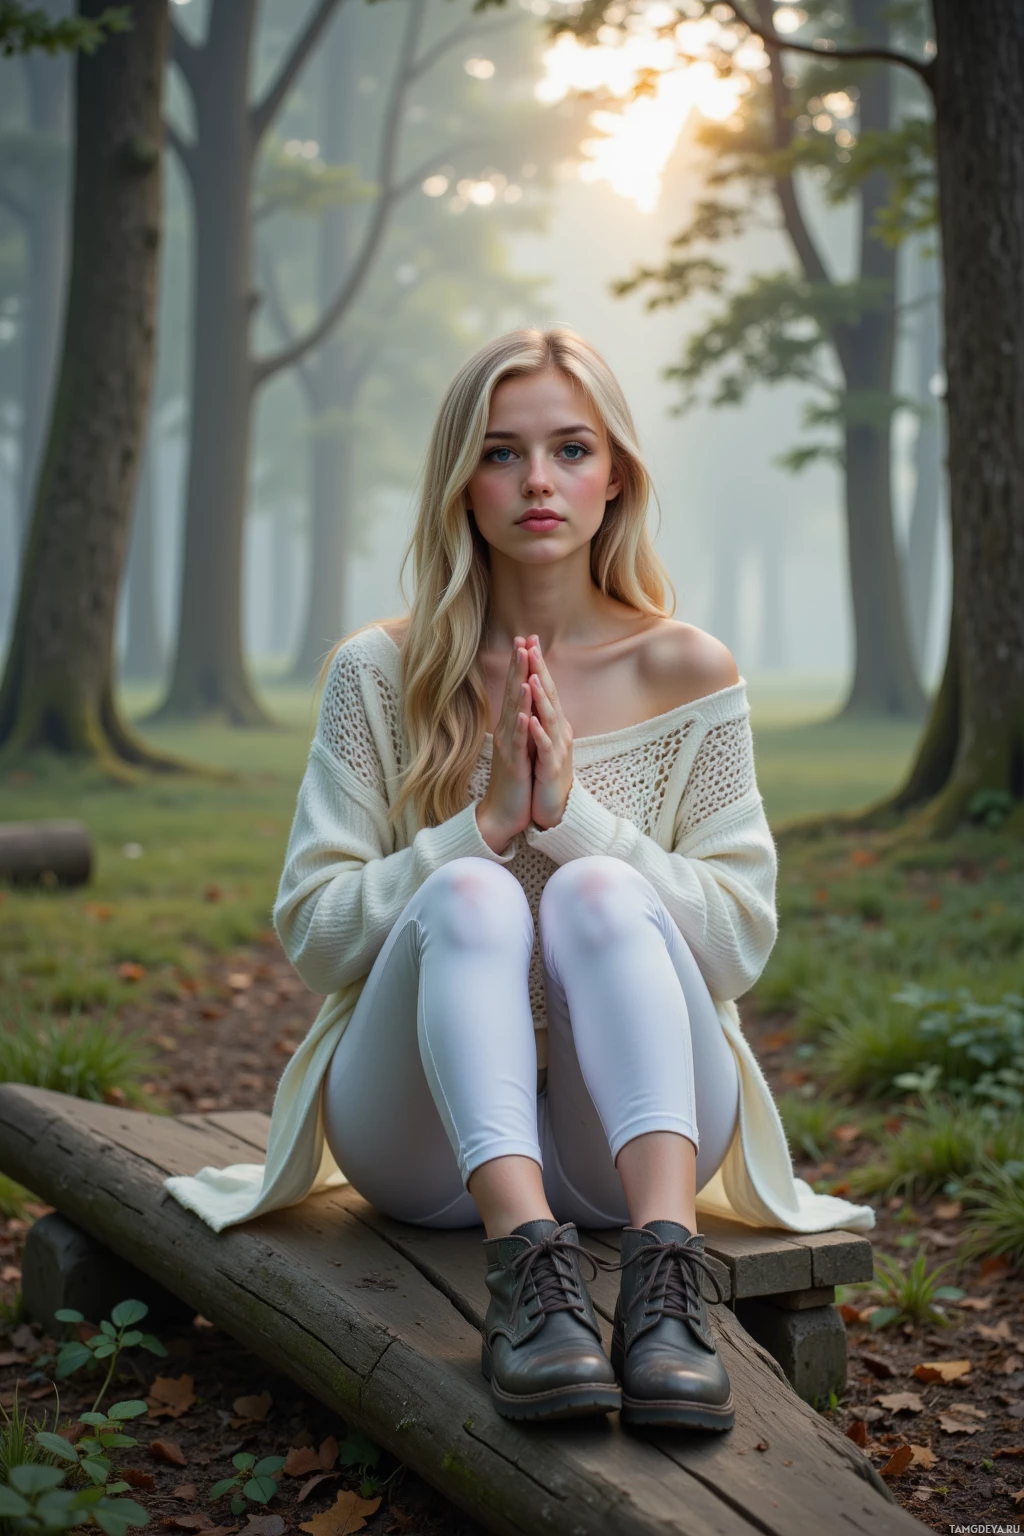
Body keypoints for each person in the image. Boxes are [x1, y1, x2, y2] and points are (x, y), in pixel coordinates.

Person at [164, 324, 875, 1431]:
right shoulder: (380, 672)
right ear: (462, 481)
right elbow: (316, 936)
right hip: (424, 1146)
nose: (538, 480)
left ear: (615, 477)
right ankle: (527, 1278)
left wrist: (573, 819)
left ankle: (667, 1280)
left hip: (628, 1147)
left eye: (570, 450)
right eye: (501, 453)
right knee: (471, 891)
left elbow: (739, 946)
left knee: (597, 889)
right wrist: (479, 829)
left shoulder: (687, 669)